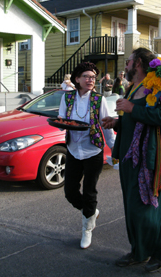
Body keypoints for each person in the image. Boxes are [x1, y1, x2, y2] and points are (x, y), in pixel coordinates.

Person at [102, 48, 161, 273]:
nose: (125, 66)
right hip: (127, 157)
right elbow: (132, 119)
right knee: (131, 208)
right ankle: (139, 251)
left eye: (128, 62)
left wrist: (132, 108)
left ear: (138, 64)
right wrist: (116, 122)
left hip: (148, 159)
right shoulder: (132, 87)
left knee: (146, 209)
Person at [58, 62, 115, 249]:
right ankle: (91, 212)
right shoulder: (66, 98)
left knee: (90, 191)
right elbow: (62, 120)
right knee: (70, 191)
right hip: (74, 149)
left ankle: (86, 230)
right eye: (86, 76)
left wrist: (114, 150)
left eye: (93, 77)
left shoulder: (99, 100)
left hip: (93, 150)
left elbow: (106, 127)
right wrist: (60, 124)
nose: (91, 80)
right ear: (77, 79)